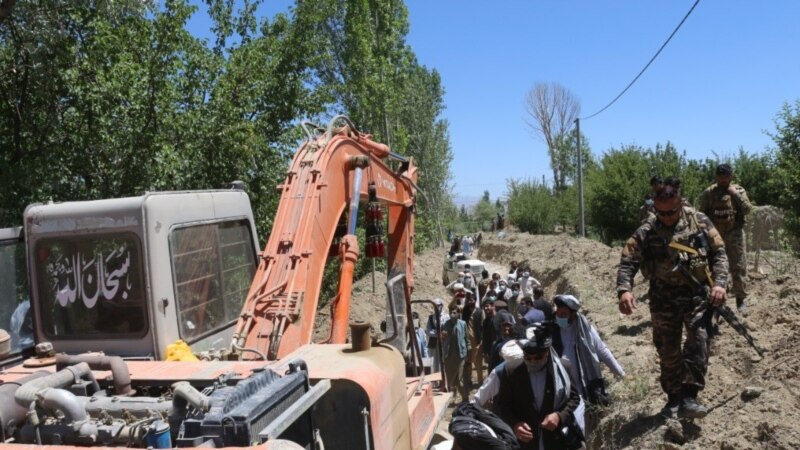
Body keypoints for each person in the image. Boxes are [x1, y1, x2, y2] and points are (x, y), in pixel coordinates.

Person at [616, 179, 729, 419]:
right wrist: (624, 289)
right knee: (667, 351)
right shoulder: (647, 229)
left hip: (696, 294)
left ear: (681, 204)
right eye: (661, 212)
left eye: (671, 212)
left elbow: (719, 252)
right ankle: (674, 398)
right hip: (662, 297)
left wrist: (719, 284)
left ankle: (690, 396)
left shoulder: (699, 221)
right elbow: (628, 260)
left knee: (699, 339)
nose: (666, 217)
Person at [494, 324, 582, 450]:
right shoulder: (511, 371)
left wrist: (559, 416)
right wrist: (515, 424)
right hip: (525, 442)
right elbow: (503, 404)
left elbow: (574, 398)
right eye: (528, 358)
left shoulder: (562, 369)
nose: (533, 362)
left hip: (555, 440)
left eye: (537, 358)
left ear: (547, 353)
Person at [698, 163, 753, 314]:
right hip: (715, 237)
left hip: (734, 234)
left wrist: (735, 194)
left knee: (738, 267)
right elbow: (701, 215)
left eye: (726, 177)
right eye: (720, 177)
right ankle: (718, 301)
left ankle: (741, 299)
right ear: (716, 177)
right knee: (715, 267)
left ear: (731, 176)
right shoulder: (709, 193)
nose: (723, 180)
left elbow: (748, 209)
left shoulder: (738, 191)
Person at [443, 304, 469, 402]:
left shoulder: (463, 324)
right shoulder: (446, 324)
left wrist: (468, 353)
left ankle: (465, 398)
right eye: (450, 312)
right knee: (451, 378)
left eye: (454, 313)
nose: (452, 314)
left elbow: (467, 340)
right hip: (450, 356)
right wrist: (443, 336)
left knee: (460, 379)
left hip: (461, 355)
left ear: (458, 314)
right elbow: (443, 337)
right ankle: (453, 394)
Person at [426, 298, 450, 374]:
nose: (436, 307)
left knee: (443, 361)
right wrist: (437, 334)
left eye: (438, 305)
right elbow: (428, 331)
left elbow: (448, 330)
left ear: (441, 306)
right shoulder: (430, 318)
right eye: (434, 306)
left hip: (444, 342)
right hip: (433, 343)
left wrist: (442, 334)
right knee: (434, 362)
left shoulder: (446, 317)